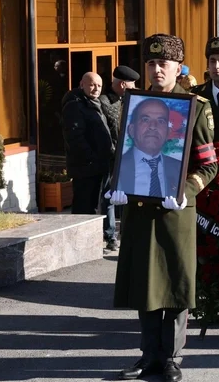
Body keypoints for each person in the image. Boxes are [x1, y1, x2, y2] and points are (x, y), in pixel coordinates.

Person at [109, 33, 217, 382]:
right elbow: (124, 154)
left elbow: (209, 165)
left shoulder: (194, 107)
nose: (157, 69)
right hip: (139, 207)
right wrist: (118, 186)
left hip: (175, 209)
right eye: (152, 63)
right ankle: (147, 354)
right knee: (145, 282)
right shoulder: (134, 104)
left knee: (173, 282)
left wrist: (186, 191)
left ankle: (170, 357)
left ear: (178, 67)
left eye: (164, 63)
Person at [61, 72, 115, 249]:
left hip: (100, 164)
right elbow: (75, 137)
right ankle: (78, 244)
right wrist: (91, 157)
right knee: (84, 206)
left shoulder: (96, 103)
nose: (96, 89)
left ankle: (90, 243)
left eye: (99, 86)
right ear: (81, 84)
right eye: (92, 85)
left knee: (95, 205)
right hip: (86, 166)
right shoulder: (74, 105)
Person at [99, 65, 140, 251]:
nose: (135, 88)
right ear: (123, 84)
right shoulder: (105, 103)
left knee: (128, 196)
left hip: (130, 157)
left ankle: (127, 233)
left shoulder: (133, 100)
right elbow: (105, 132)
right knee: (110, 196)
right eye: (132, 85)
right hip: (111, 158)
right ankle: (110, 236)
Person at [117, 98, 182, 198]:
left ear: (168, 133)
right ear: (131, 130)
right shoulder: (116, 167)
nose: (153, 126)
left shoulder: (179, 168)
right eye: (145, 119)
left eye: (160, 121)